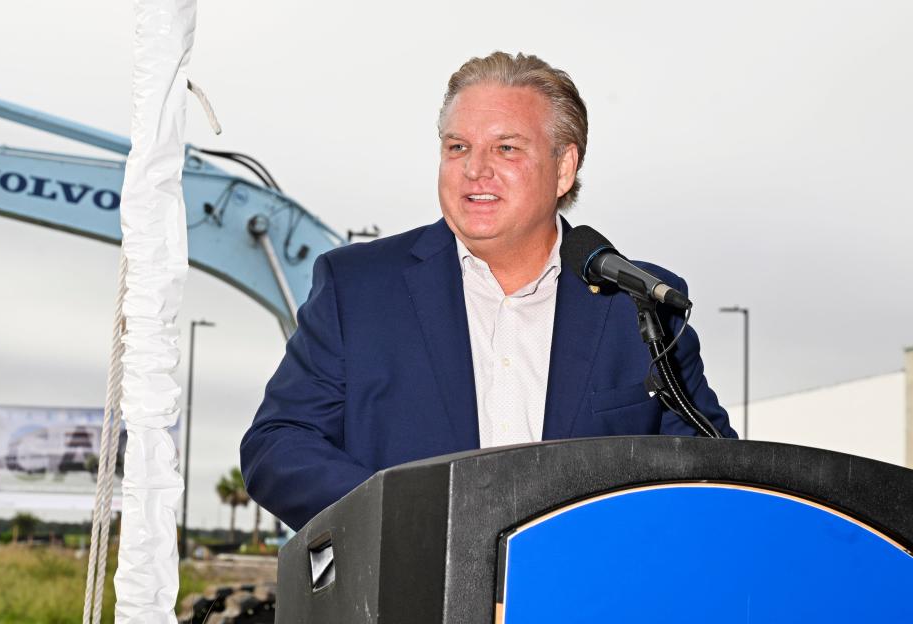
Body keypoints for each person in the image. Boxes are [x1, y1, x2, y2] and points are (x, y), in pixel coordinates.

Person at [241, 52, 736, 530]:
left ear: (564, 167)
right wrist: (405, 519)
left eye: (506, 148)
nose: (475, 169)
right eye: (458, 147)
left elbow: (713, 473)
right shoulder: (357, 288)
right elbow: (279, 445)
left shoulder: (637, 301)